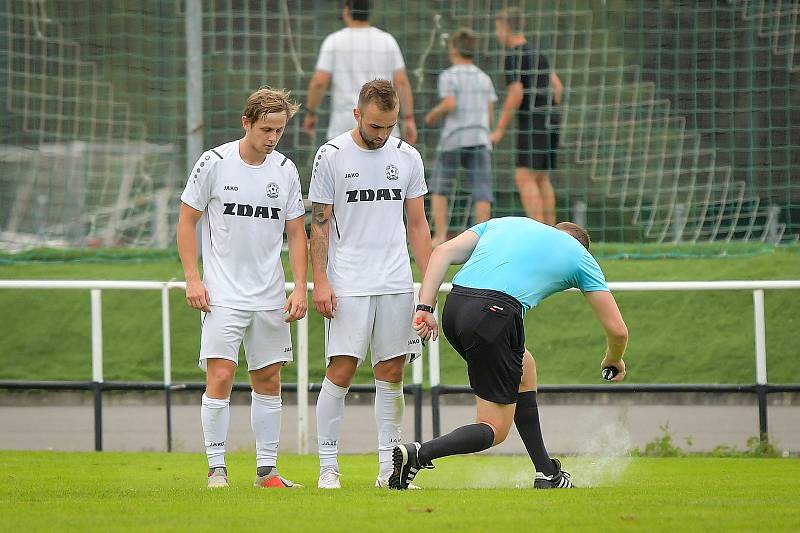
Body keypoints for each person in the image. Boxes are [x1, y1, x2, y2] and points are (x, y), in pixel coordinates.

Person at [388, 217, 629, 490]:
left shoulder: (509, 223)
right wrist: (613, 358)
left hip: (455, 307)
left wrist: (425, 306)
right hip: (494, 316)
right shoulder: (580, 257)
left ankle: (546, 473)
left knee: (524, 367)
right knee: (494, 428)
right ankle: (418, 455)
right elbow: (618, 332)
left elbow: (442, 252)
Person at [177, 86, 308, 489]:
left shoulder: (285, 170)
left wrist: (300, 286)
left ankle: (267, 471)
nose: (272, 138)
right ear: (246, 122)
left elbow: (297, 233)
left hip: (269, 295)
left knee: (268, 379)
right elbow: (186, 221)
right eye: (266, 129)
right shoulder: (213, 163)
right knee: (221, 375)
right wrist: (193, 278)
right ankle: (217, 468)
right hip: (223, 294)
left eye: (279, 130)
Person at [308, 79, 432, 489]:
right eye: (376, 126)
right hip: (348, 283)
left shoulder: (408, 156)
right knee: (341, 371)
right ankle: (328, 466)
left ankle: (387, 469)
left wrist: (427, 293)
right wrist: (320, 281)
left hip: (395, 281)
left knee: (392, 372)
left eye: (390, 127)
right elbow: (320, 223)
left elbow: (417, 225)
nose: (382, 135)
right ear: (357, 114)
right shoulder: (331, 155)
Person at [303, 0, 417, 144]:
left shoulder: (333, 41)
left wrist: (311, 113)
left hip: (344, 125)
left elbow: (319, 83)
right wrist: (409, 118)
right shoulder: (388, 41)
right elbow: (401, 82)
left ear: (346, 10)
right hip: (382, 125)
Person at [490, 7, 564, 225]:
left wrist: (499, 130)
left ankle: (539, 232)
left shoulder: (514, 55)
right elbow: (557, 87)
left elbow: (516, 93)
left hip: (534, 120)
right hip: (551, 117)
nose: (497, 34)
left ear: (505, 28)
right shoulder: (538, 52)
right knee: (541, 177)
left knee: (524, 176)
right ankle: (552, 231)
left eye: (497, 29)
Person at [424, 28, 497, 247]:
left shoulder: (449, 75)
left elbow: (449, 104)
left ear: (454, 48)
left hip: (453, 139)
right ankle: (482, 240)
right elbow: (490, 110)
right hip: (479, 137)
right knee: (482, 190)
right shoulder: (484, 78)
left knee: (440, 187)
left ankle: (440, 235)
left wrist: (432, 115)